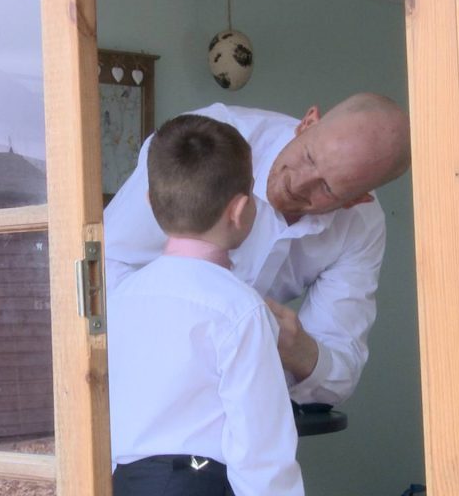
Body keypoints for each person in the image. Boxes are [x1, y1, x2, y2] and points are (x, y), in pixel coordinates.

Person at [106, 92, 410, 406]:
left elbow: (341, 371)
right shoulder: (210, 141)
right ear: (307, 123)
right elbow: (102, 267)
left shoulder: (361, 226)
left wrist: (298, 349)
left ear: (356, 200)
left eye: (328, 188)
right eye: (308, 156)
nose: (298, 183)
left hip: (231, 409)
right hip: (122, 384)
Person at [108, 114, 304, 496]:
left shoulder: (120, 299)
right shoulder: (241, 310)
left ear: (150, 203)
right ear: (241, 209)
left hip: (123, 484)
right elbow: (261, 451)